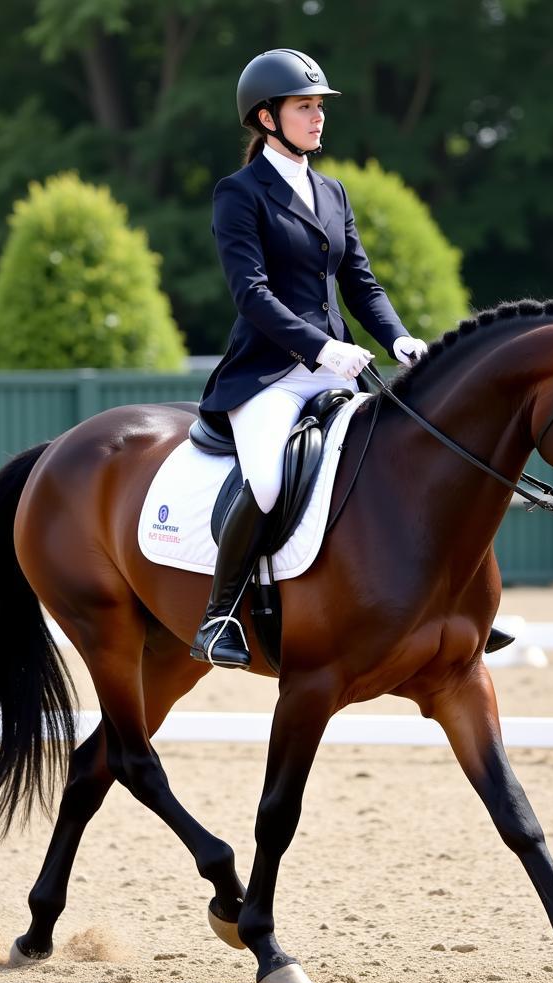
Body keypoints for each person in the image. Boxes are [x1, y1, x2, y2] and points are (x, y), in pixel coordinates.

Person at [190, 47, 428, 669]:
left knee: (403, 461)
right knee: (267, 479)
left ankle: (433, 600)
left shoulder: (332, 191)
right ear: (267, 118)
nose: (318, 117)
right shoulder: (239, 194)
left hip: (337, 369)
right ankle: (219, 616)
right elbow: (252, 294)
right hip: (268, 376)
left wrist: (397, 337)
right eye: (305, 107)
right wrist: (322, 347)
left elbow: (360, 282)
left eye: (320, 106)